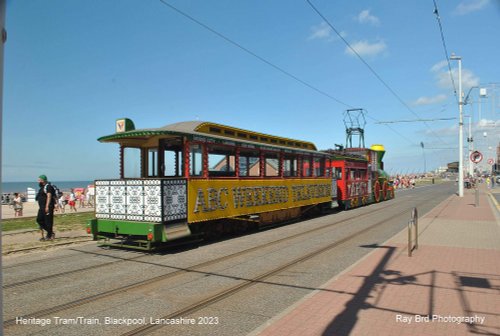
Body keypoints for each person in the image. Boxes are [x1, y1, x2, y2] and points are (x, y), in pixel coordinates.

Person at [35, 175, 56, 241]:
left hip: (48, 207)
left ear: (43, 180)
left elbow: (49, 196)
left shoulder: (48, 187)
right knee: (39, 220)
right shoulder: (42, 187)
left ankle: (49, 235)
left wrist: (47, 206)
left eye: (39, 180)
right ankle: (50, 232)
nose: (38, 181)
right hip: (41, 207)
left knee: (48, 221)